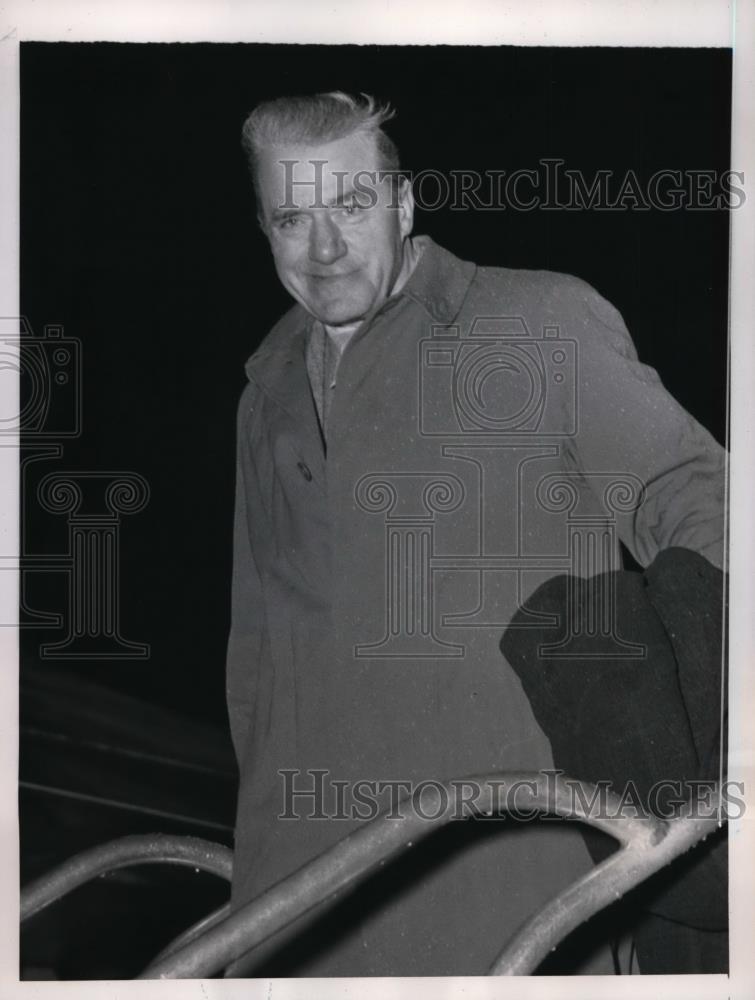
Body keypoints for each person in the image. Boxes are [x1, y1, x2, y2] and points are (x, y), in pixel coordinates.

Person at [225, 91, 726, 976]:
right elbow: (257, 668)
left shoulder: (532, 322)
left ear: (404, 203)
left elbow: (700, 503)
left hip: (517, 896)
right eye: (292, 217)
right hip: (303, 907)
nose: (326, 249)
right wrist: (254, 913)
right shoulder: (265, 391)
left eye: (350, 206)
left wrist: (703, 766)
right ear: (265, 230)